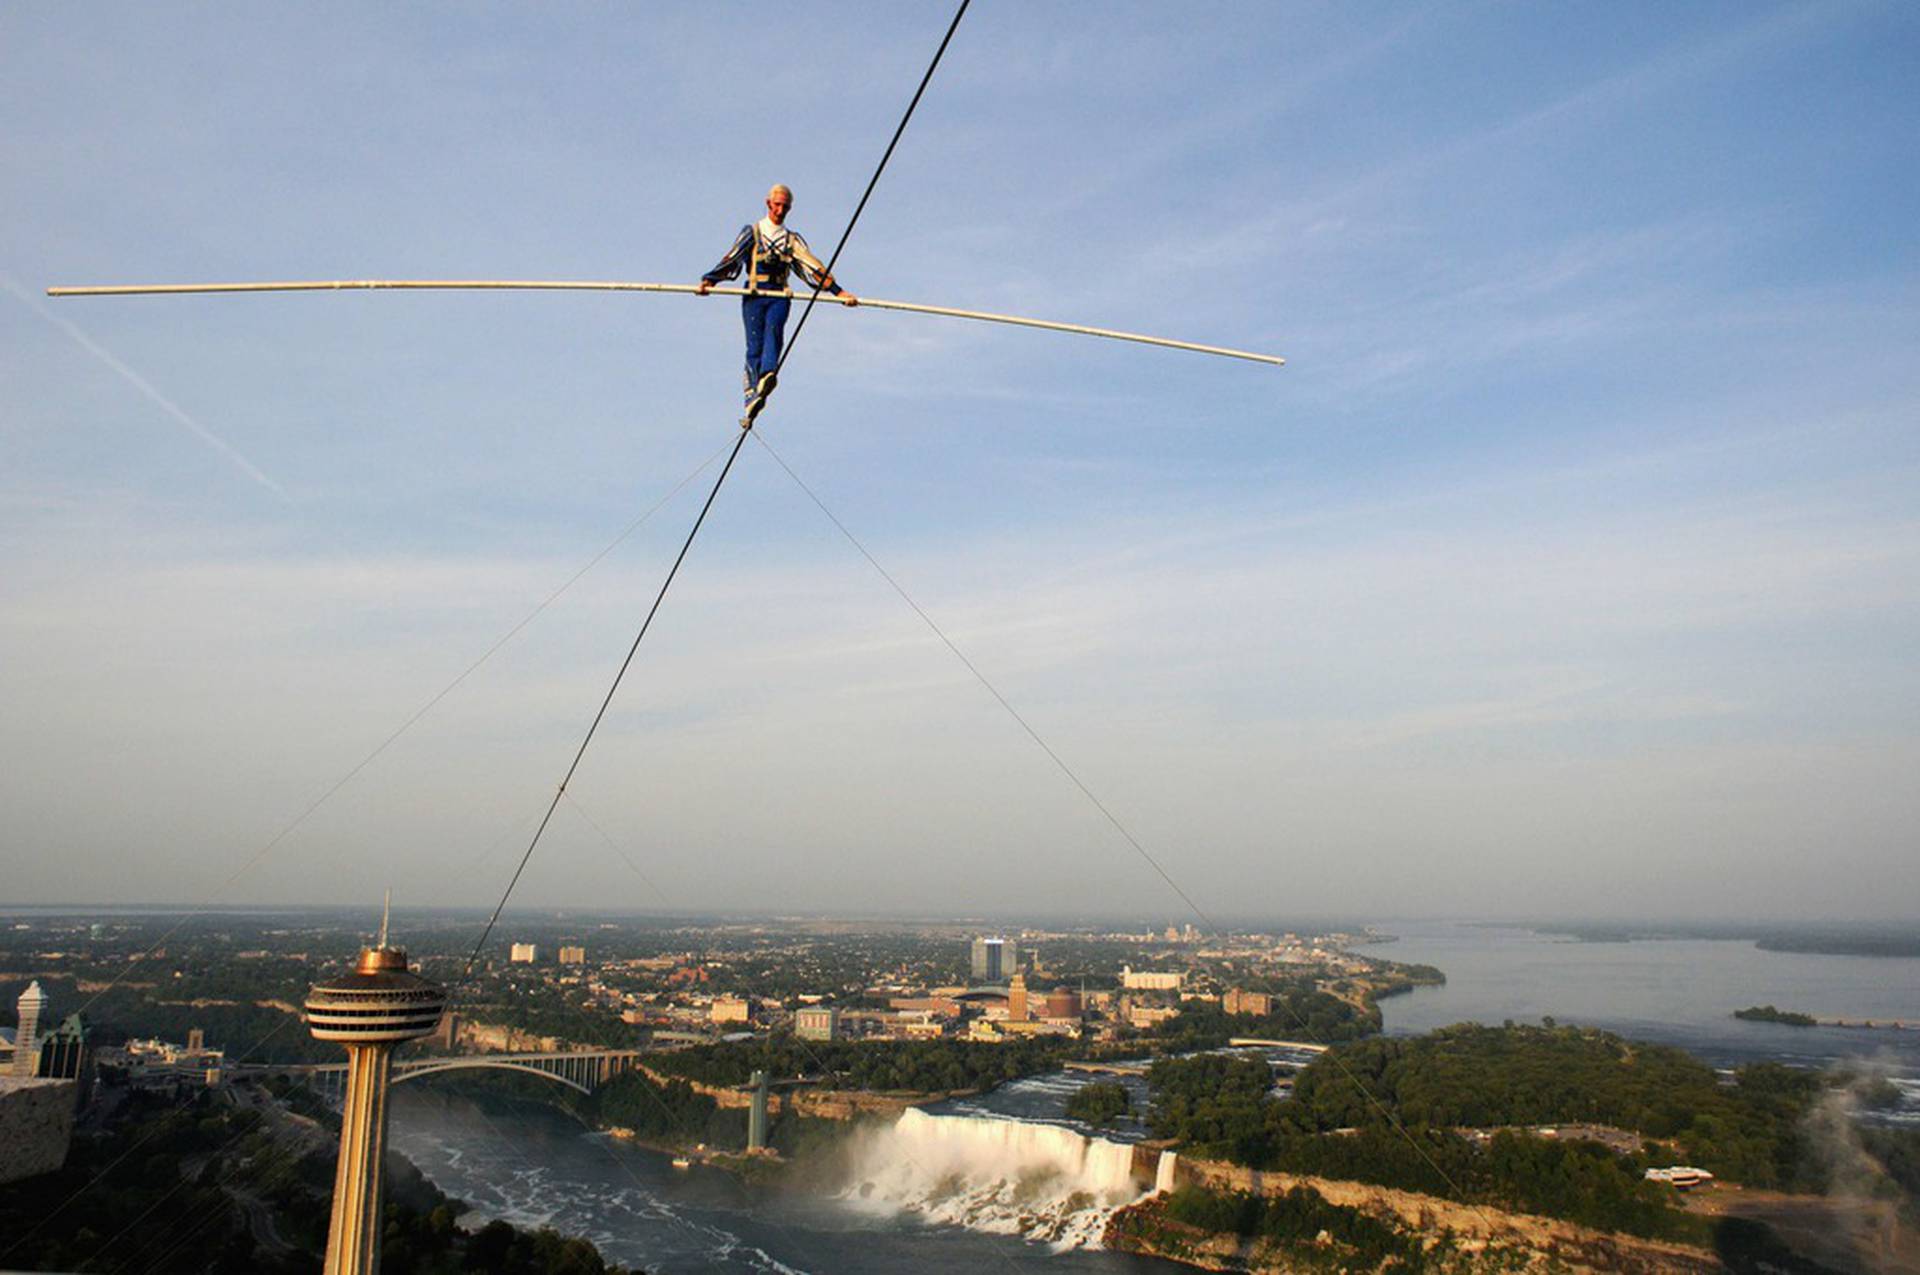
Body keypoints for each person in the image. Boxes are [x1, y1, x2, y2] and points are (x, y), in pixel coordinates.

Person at [697, 184, 857, 426]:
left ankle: (768, 374)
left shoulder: (791, 240)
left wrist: (838, 292)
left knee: (774, 332)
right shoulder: (753, 231)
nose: (780, 210)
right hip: (754, 293)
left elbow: (812, 267)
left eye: (785, 206)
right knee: (755, 344)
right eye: (777, 205)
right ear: (768, 204)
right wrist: (710, 281)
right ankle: (751, 394)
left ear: (789, 209)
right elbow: (733, 257)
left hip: (779, 294)